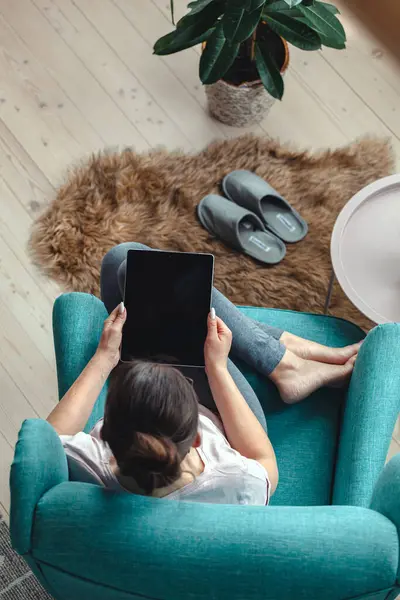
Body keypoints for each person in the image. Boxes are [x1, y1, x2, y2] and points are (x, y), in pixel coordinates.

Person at [47, 243, 360, 506]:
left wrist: (105, 357)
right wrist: (217, 367)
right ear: (197, 437)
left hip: (152, 417)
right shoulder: (237, 480)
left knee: (124, 262)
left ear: (105, 435)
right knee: (146, 269)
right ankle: (281, 361)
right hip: (226, 421)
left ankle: (279, 352)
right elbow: (265, 459)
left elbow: (46, 439)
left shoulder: (85, 464)